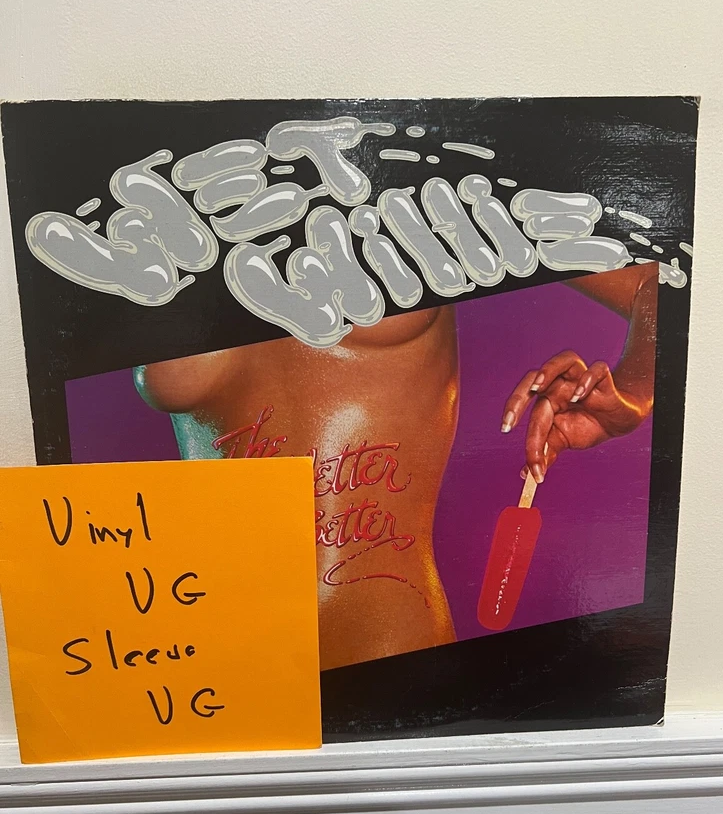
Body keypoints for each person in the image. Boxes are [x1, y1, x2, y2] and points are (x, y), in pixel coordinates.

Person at [135, 261, 657, 671]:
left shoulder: (429, 183)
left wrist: (633, 393)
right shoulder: (149, 209)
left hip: (384, 653)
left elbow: (663, 281)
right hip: (210, 661)